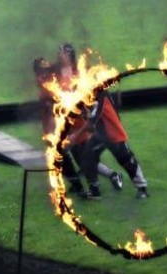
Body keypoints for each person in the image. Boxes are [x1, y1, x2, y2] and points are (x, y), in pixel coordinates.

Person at [53, 43, 149, 200]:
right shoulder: (87, 93)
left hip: (111, 132)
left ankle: (142, 187)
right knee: (87, 156)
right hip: (99, 133)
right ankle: (95, 190)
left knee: (125, 159)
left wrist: (75, 136)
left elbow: (91, 121)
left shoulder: (100, 96)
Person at [33, 52, 122, 197]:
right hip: (67, 129)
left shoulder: (51, 88)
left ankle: (103, 179)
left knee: (80, 160)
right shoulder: (50, 86)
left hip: (74, 128)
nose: (39, 78)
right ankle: (81, 184)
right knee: (73, 159)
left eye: (42, 74)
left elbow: (60, 109)